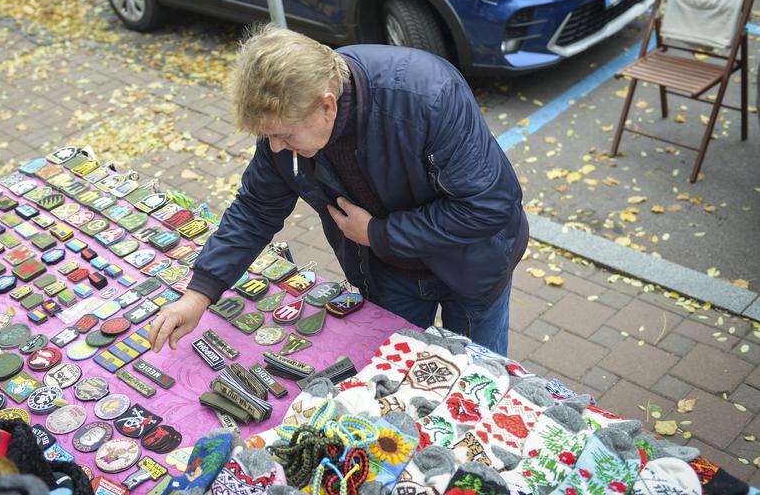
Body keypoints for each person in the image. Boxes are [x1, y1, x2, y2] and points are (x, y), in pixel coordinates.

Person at [149, 25, 528, 356]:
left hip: (473, 270)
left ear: (327, 106)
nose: (277, 148)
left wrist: (378, 233)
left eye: (283, 135)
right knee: (394, 381)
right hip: (390, 275)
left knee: (481, 383)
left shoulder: (427, 95)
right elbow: (255, 210)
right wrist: (199, 293)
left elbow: (490, 205)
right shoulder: (287, 122)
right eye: (269, 137)